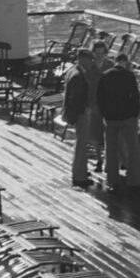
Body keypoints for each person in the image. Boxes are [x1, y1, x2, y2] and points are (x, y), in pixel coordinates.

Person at [97, 53, 140, 191]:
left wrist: (105, 114)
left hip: (110, 118)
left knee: (111, 149)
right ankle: (133, 180)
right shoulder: (129, 76)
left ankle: (112, 180)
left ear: (115, 62)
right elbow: (135, 97)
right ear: (126, 62)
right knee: (133, 149)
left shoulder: (105, 75)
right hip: (127, 118)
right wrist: (134, 114)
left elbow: (100, 98)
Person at [61, 48, 94, 187]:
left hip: (76, 112)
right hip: (80, 113)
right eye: (89, 59)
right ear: (83, 59)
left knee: (80, 143)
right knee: (82, 144)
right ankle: (79, 176)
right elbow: (75, 98)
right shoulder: (78, 76)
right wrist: (84, 110)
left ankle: (80, 170)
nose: (91, 62)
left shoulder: (72, 71)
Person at [86, 39, 113, 170]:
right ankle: (99, 160)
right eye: (97, 53)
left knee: (108, 132)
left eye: (102, 53)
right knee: (95, 133)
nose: (99, 55)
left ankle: (109, 160)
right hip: (93, 103)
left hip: (107, 103)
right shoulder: (89, 67)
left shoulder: (110, 65)